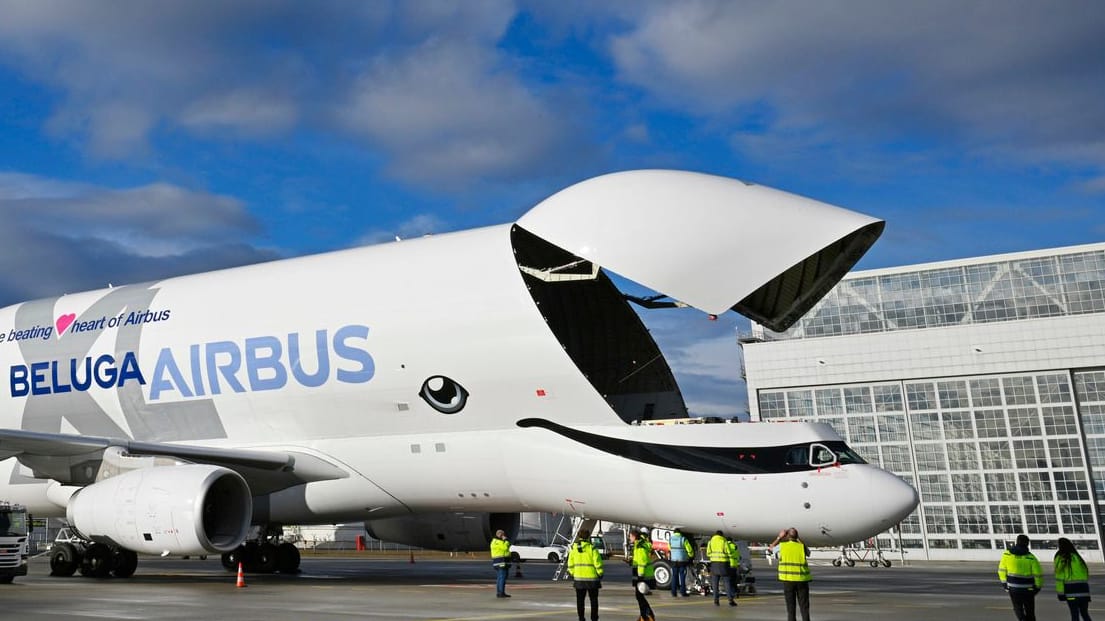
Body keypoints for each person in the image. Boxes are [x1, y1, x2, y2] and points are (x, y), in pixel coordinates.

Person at [770, 527, 811, 621]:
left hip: (788, 580)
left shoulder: (782, 546)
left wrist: (779, 538)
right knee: (804, 606)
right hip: (802, 580)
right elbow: (808, 553)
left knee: (791, 607)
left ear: (787, 536)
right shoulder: (801, 547)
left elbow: (770, 549)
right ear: (797, 536)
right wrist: (798, 539)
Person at [999, 534, 1042, 621]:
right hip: (1028, 589)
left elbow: (1001, 570)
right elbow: (1038, 574)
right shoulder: (1031, 558)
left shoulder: (1007, 555)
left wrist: (1004, 584)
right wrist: (1037, 587)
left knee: (1018, 608)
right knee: (1030, 611)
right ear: (1027, 544)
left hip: (1013, 587)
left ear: (1017, 542)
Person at [567, 528, 603, 621]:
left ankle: (581, 618)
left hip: (579, 579)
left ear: (579, 536)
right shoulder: (592, 548)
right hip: (592, 579)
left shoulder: (574, 549)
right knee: (594, 600)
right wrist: (600, 573)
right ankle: (594, 618)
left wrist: (573, 573)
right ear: (588, 537)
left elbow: (570, 563)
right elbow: (597, 563)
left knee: (580, 601)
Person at [1054, 537, 1092, 621]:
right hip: (1084, 590)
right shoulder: (1078, 557)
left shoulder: (1060, 558)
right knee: (1085, 614)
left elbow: (1059, 578)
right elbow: (1085, 574)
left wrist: (1061, 594)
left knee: (1074, 615)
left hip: (1071, 591)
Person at [629, 528, 656, 621]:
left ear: (634, 536)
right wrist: (632, 562)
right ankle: (644, 615)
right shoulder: (639, 545)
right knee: (639, 596)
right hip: (643, 575)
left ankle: (647, 615)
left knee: (639, 596)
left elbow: (642, 562)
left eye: (630, 536)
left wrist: (640, 577)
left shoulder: (640, 546)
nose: (629, 539)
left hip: (642, 576)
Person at [706, 530, 736, 606]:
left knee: (715, 584)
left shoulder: (710, 542)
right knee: (727, 582)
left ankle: (716, 600)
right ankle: (730, 600)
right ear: (722, 535)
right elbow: (729, 552)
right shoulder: (724, 541)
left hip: (714, 564)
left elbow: (708, 553)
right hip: (724, 564)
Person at [668, 528, 693, 597]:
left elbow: (669, 548)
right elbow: (689, 549)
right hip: (682, 561)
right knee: (682, 576)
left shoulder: (670, 539)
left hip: (673, 561)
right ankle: (683, 592)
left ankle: (673, 592)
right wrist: (691, 555)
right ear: (680, 533)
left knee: (674, 576)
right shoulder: (683, 539)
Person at [489, 529, 512, 598]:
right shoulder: (498, 542)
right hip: (501, 562)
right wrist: (506, 541)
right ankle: (501, 593)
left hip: (499, 562)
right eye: (503, 535)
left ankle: (500, 592)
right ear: (500, 535)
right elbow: (505, 548)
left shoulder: (494, 541)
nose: (504, 536)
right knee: (502, 577)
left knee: (500, 578)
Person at [726, 536, 742, 602]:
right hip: (735, 565)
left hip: (728, 565)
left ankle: (731, 594)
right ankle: (736, 592)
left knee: (728, 581)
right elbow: (738, 556)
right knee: (734, 580)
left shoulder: (726, 546)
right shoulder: (735, 546)